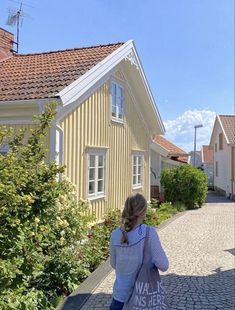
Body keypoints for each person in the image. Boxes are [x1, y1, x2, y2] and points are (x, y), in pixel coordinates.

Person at [109, 193, 169, 310]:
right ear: (143, 212)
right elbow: (164, 265)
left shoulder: (115, 234)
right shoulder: (149, 233)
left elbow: (114, 264)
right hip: (142, 298)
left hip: (119, 298)